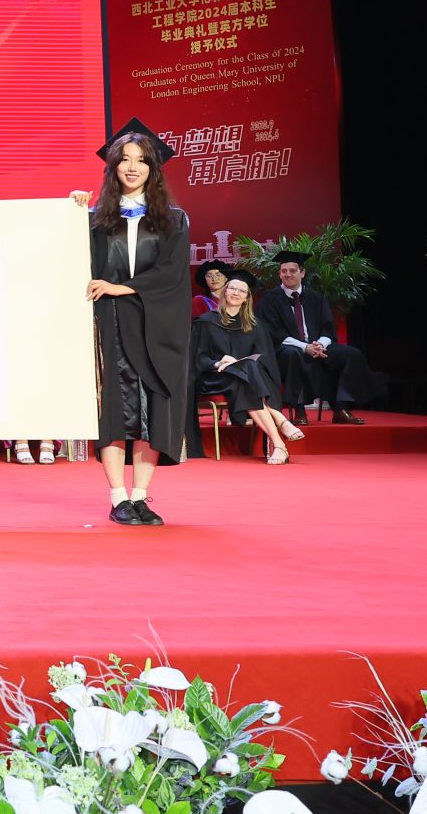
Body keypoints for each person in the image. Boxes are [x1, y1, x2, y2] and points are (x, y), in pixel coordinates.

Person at [75, 118, 195, 526]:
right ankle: (118, 497)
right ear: (112, 167)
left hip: (154, 324)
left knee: (151, 410)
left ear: (152, 168)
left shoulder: (173, 220)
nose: (132, 167)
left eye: (141, 160)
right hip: (108, 325)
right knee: (114, 410)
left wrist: (121, 287)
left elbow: (172, 275)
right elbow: (69, 258)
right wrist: (71, 211)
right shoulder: (94, 220)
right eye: (124, 159)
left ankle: (141, 497)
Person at [191, 270, 305, 464]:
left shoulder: (255, 326)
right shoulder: (206, 322)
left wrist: (238, 363)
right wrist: (218, 362)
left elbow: (265, 359)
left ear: (246, 298)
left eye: (242, 291)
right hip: (216, 378)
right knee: (247, 375)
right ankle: (280, 422)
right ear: (225, 292)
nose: (236, 293)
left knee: (247, 373)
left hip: (243, 381)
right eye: (232, 288)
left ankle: (279, 444)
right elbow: (197, 357)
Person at [254, 250, 374, 425]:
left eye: (292, 270)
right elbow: (273, 333)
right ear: (279, 274)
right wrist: (305, 347)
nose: (287, 274)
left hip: (317, 347)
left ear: (302, 273)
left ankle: (341, 408)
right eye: (284, 271)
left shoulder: (316, 297)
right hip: (286, 349)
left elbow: (328, 328)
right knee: (292, 354)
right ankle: (299, 410)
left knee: (350, 354)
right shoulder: (269, 299)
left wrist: (320, 345)